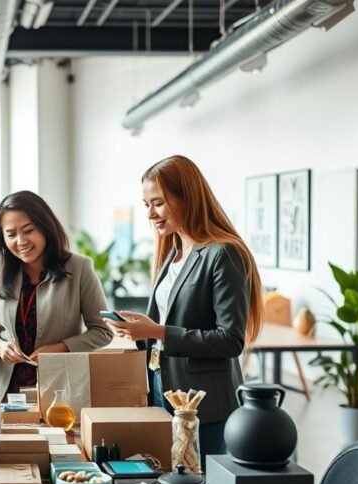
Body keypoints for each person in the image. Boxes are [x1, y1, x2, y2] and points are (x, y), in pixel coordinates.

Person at [104, 155, 263, 465]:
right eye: (146, 204)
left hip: (204, 402)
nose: (150, 214)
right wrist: (141, 331)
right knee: (172, 479)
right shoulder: (173, 254)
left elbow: (230, 340)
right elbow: (170, 322)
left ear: (187, 198)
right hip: (163, 387)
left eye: (158, 203)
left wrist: (156, 331)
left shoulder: (223, 253)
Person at [0, 190, 113, 399]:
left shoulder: (80, 268)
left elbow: (103, 331)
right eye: (11, 234)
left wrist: (60, 348)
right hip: (6, 394)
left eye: (28, 230)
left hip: (61, 393)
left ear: (45, 228)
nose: (20, 241)